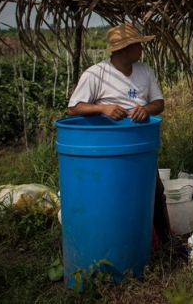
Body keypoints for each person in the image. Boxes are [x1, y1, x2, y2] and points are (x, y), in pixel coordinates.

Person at [67, 23, 172, 245]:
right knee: (115, 195)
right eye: (137, 45)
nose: (141, 49)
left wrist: (145, 109)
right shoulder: (96, 74)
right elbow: (74, 108)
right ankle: (116, 242)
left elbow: (159, 103)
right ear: (123, 49)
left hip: (140, 142)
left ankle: (166, 243)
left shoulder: (145, 71)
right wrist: (102, 108)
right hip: (109, 146)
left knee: (153, 191)